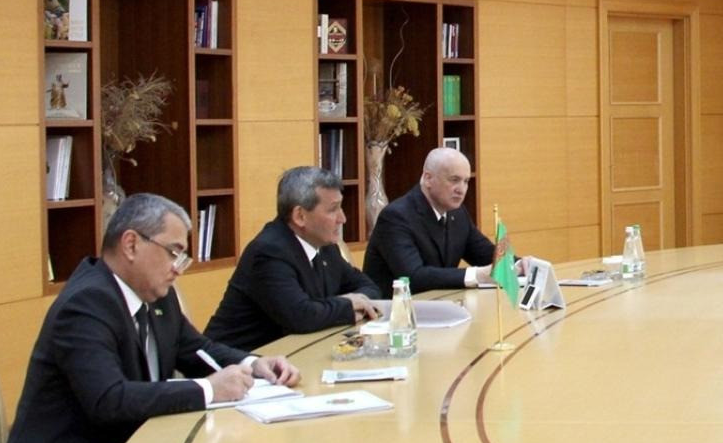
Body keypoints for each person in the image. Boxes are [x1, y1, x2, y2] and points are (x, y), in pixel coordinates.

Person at [0, 194, 299, 443]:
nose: (177, 268)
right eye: (173, 252)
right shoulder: (86, 304)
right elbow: (109, 400)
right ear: (131, 244)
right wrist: (209, 389)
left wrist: (253, 363)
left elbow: (197, 349)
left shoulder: (155, 296)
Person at [204, 166, 381, 351]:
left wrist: (349, 304)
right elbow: (301, 316)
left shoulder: (325, 246)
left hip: (291, 354)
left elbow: (370, 288)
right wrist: (347, 305)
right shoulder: (269, 252)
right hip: (236, 361)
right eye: (333, 210)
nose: (342, 218)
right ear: (300, 216)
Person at [363, 147, 504, 298]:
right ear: (428, 179)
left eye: (466, 181)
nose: (462, 189)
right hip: (393, 308)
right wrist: (478, 275)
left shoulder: (458, 213)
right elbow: (414, 277)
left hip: (437, 304)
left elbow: (485, 253)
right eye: (454, 180)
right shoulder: (395, 217)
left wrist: (517, 266)